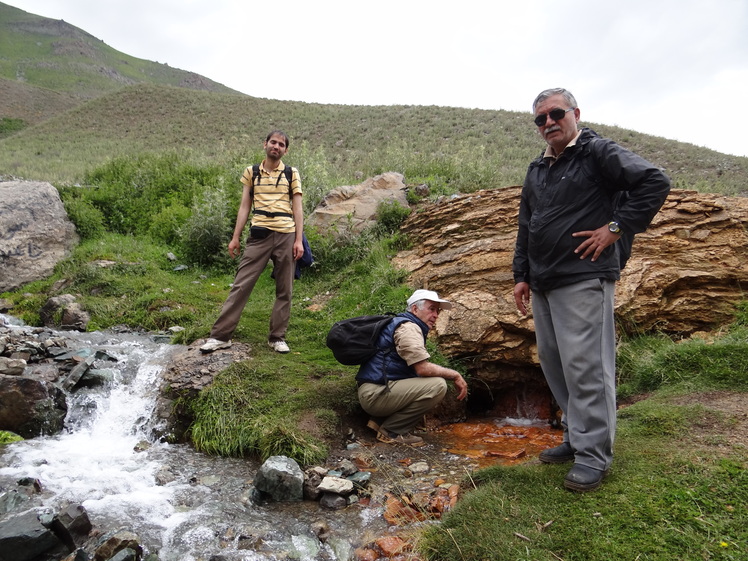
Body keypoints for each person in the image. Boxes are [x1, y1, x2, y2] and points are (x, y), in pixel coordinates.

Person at [512, 88, 671, 491]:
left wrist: (615, 228)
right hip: (544, 280)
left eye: (555, 113)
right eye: (540, 118)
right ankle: (575, 436)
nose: (548, 122)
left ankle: (594, 455)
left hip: (584, 275)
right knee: (556, 363)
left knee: (586, 366)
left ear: (575, 113)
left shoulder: (597, 152)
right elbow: (526, 225)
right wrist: (521, 275)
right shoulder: (538, 169)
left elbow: (654, 181)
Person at [201, 130, 304, 354]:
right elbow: (244, 206)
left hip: (286, 235)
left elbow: (297, 208)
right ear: (265, 144)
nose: (276, 147)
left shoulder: (290, 173)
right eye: (273, 142)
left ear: (286, 150)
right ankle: (220, 336)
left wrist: (298, 240)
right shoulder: (252, 172)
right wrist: (235, 237)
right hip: (258, 236)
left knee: (284, 289)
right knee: (241, 285)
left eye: (281, 144)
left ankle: (277, 337)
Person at [356, 289, 469, 446]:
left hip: (378, 389)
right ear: (415, 309)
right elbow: (422, 368)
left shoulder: (405, 324)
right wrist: (455, 375)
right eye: (431, 309)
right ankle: (391, 431)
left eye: (438, 311)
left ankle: (379, 420)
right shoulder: (409, 328)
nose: (436, 315)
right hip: (375, 394)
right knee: (437, 386)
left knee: (421, 382)